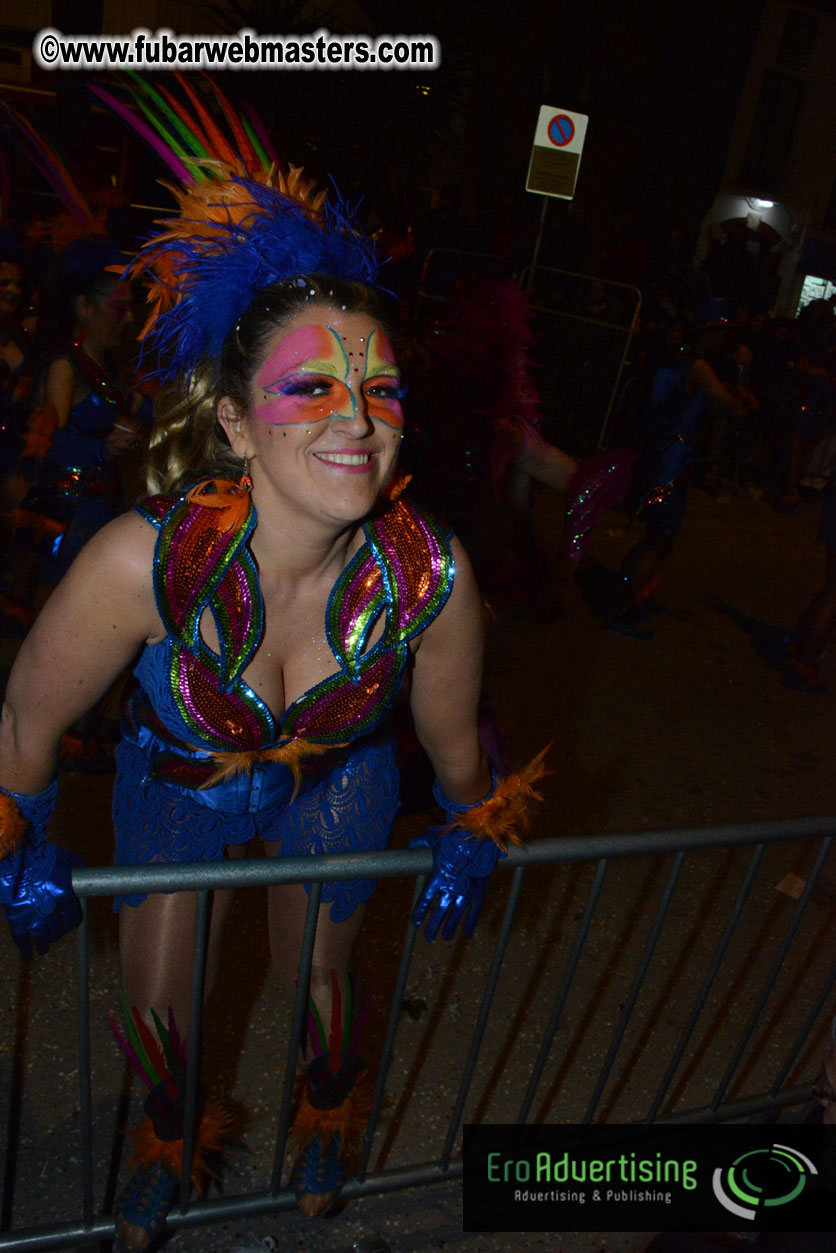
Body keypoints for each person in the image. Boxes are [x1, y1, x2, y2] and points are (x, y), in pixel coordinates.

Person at [0, 117, 546, 1252]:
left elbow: (453, 753)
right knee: (159, 1003)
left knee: (324, 976)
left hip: (334, 779)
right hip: (179, 782)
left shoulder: (429, 579)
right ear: (237, 422)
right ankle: (163, 1137)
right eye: (312, 388)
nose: (356, 418)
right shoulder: (141, 563)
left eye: (381, 390)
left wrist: (468, 827)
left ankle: (324, 1112)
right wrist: (26, 836)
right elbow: (25, 720)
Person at [606, 300, 755, 638]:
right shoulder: (699, 366)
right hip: (671, 457)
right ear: (711, 333)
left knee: (658, 537)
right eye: (723, 334)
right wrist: (743, 377)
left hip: (663, 452)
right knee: (657, 538)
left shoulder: (679, 357)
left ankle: (625, 594)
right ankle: (620, 604)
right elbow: (731, 408)